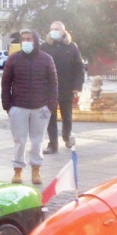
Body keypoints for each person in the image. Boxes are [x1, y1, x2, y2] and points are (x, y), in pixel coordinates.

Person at [1, 29, 57, 185]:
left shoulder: (46, 59)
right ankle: (18, 170)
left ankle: (36, 169)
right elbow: (6, 83)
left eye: (29, 39)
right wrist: (8, 106)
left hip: (40, 107)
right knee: (19, 140)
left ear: (36, 41)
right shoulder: (13, 59)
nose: (25, 42)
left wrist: (50, 106)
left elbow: (53, 83)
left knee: (37, 140)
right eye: (23, 39)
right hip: (18, 106)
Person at [44, 21, 84, 154]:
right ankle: (52, 144)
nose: (54, 31)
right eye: (52, 29)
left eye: (57, 29)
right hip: (49, 88)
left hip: (67, 86)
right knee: (51, 117)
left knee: (67, 115)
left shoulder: (72, 47)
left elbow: (79, 67)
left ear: (63, 31)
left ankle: (67, 137)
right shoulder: (44, 47)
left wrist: (77, 86)